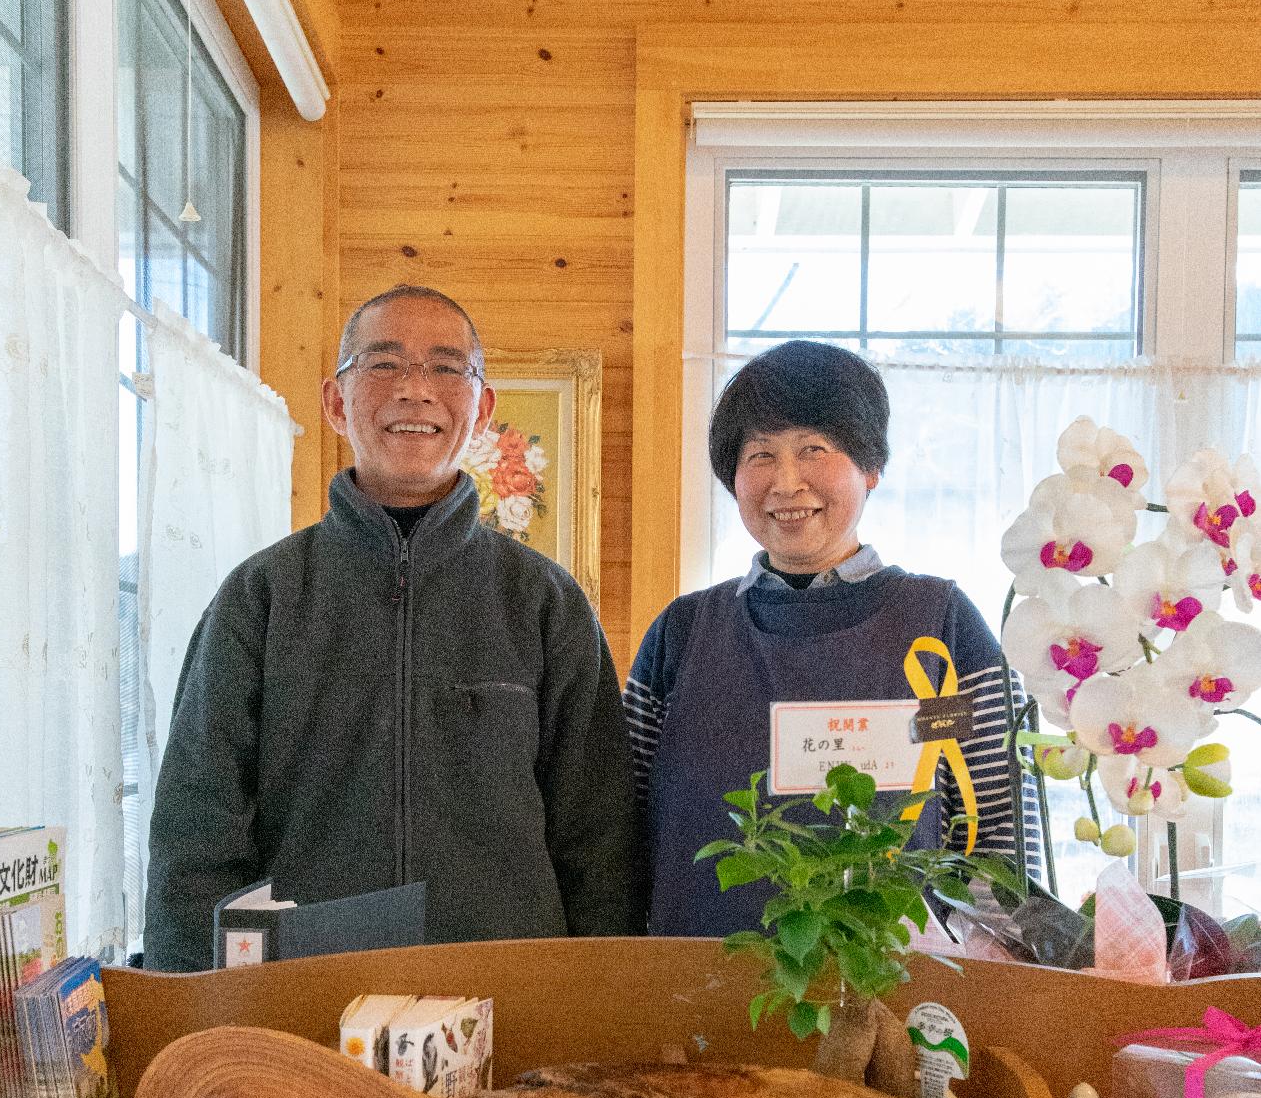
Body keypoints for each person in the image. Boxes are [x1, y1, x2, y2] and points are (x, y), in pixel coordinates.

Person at [143, 284, 644, 970]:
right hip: (306, 997)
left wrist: (600, 1002)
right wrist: (189, 1020)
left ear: (482, 407)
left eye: (445, 367)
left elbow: (600, 840)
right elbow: (195, 836)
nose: (414, 390)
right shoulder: (261, 598)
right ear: (333, 403)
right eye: (382, 364)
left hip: (513, 995)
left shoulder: (543, 602)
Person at [624, 339, 1027, 936]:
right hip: (696, 985)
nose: (786, 483)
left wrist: (1005, 978)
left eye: (813, 449)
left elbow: (995, 818)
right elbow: (620, 822)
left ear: (870, 468)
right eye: (760, 455)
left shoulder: (938, 631)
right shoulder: (682, 635)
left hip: (892, 990)